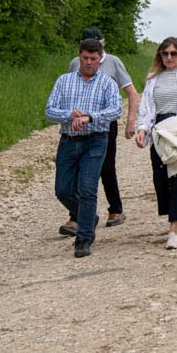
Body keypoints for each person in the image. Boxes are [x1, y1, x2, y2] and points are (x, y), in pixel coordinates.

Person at [46, 38, 123, 257]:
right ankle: (87, 216)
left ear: (100, 59)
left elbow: (116, 110)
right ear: (79, 56)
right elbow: (50, 110)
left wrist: (90, 117)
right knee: (62, 190)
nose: (89, 62)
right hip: (68, 140)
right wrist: (68, 115)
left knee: (87, 188)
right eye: (85, 58)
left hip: (95, 140)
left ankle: (84, 239)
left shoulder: (107, 83)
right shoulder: (64, 81)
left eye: (93, 59)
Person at [68, 27, 139, 228]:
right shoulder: (75, 63)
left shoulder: (113, 62)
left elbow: (132, 92)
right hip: (79, 123)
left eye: (97, 43)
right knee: (77, 168)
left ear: (103, 43)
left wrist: (131, 121)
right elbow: (69, 89)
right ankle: (76, 216)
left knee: (106, 167)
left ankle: (115, 209)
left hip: (105, 123)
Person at [134, 37, 177, 250]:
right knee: (161, 179)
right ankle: (174, 216)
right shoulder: (153, 79)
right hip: (159, 130)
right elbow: (146, 107)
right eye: (165, 53)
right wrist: (142, 129)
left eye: (173, 53)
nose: (169, 58)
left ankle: (174, 228)